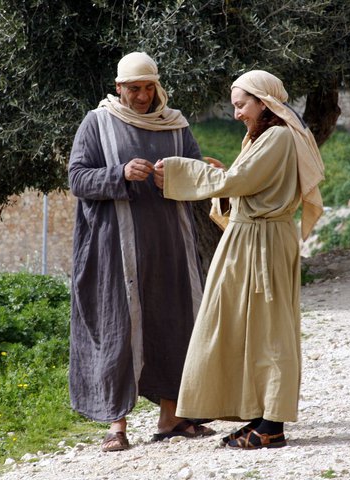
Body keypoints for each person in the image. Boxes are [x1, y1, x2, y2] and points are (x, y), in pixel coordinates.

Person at [153, 70, 325, 449]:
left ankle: (272, 425)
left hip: (263, 241)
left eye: (241, 105)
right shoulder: (263, 137)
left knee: (270, 331)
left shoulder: (279, 136)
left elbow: (239, 181)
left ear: (264, 102)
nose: (237, 114)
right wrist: (224, 177)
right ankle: (258, 415)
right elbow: (242, 183)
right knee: (240, 327)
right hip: (249, 239)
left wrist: (181, 169)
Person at [68, 52, 215, 452]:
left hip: (171, 243)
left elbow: (197, 171)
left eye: (149, 87)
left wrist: (178, 175)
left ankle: (173, 417)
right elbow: (78, 178)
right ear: (119, 88)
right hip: (115, 249)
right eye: (135, 88)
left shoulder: (175, 124)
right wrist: (119, 174)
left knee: (174, 323)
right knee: (119, 328)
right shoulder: (96, 123)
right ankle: (117, 426)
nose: (143, 96)